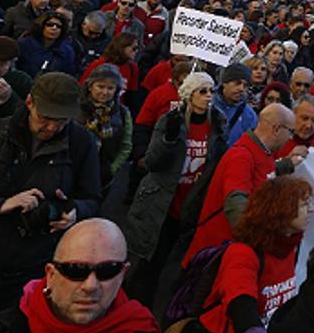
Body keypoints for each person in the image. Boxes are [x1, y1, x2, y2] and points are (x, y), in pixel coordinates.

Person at [0, 72, 102, 320]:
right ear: (30, 102)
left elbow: (93, 199)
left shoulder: (81, 143)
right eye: (45, 118)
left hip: (34, 266)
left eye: (61, 121)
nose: (52, 127)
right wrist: (1, 205)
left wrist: (75, 212)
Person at [0, 218, 161, 333]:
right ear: (51, 275)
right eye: (75, 270)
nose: (90, 285)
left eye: (107, 270)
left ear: (122, 274)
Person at [172, 177, 313, 333]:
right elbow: (240, 304)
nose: (311, 209)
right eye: (304, 205)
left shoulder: (288, 247)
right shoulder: (243, 253)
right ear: (281, 210)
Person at [124, 72, 227, 307]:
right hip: (162, 203)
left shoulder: (218, 123)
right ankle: (137, 309)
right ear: (189, 95)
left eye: (212, 91)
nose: (209, 96)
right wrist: (168, 140)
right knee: (148, 265)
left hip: (192, 206)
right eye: (202, 91)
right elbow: (152, 162)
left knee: (177, 267)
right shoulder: (172, 121)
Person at [182, 103, 300, 264]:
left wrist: (287, 165)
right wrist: (256, 242)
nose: (291, 138)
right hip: (216, 255)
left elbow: (263, 175)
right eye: (290, 131)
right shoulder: (241, 156)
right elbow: (236, 202)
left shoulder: (261, 153)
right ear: (276, 129)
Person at [79, 63, 133, 194]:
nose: (105, 92)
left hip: (103, 172)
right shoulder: (76, 107)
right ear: (90, 86)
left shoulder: (122, 113)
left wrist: (112, 169)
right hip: (76, 168)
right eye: (100, 86)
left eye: (110, 88)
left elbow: (126, 145)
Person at [17, 11, 76, 77]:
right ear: (41, 26)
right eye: (50, 25)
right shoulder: (24, 44)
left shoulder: (67, 51)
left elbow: (68, 74)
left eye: (58, 26)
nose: (54, 28)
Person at [213, 62, 257, 146]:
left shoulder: (250, 115)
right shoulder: (208, 104)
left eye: (245, 85)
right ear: (225, 83)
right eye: (237, 83)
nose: (241, 89)